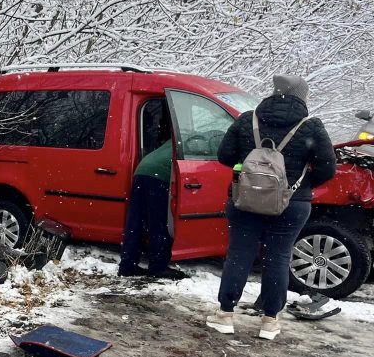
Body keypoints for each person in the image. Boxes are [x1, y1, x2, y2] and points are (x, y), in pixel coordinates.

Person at [206, 74, 336, 339]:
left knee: (239, 255)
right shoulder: (311, 127)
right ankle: (270, 321)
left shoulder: (248, 119)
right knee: (278, 258)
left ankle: (225, 315)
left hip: (246, 201)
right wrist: (301, 184)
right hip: (291, 204)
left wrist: (250, 172)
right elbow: (328, 167)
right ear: (302, 96)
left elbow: (224, 156)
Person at [118, 140, 184, 278]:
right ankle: (158, 267)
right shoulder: (199, 139)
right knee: (159, 222)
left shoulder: (177, 137)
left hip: (142, 170)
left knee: (135, 222)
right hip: (159, 175)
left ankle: (127, 266)